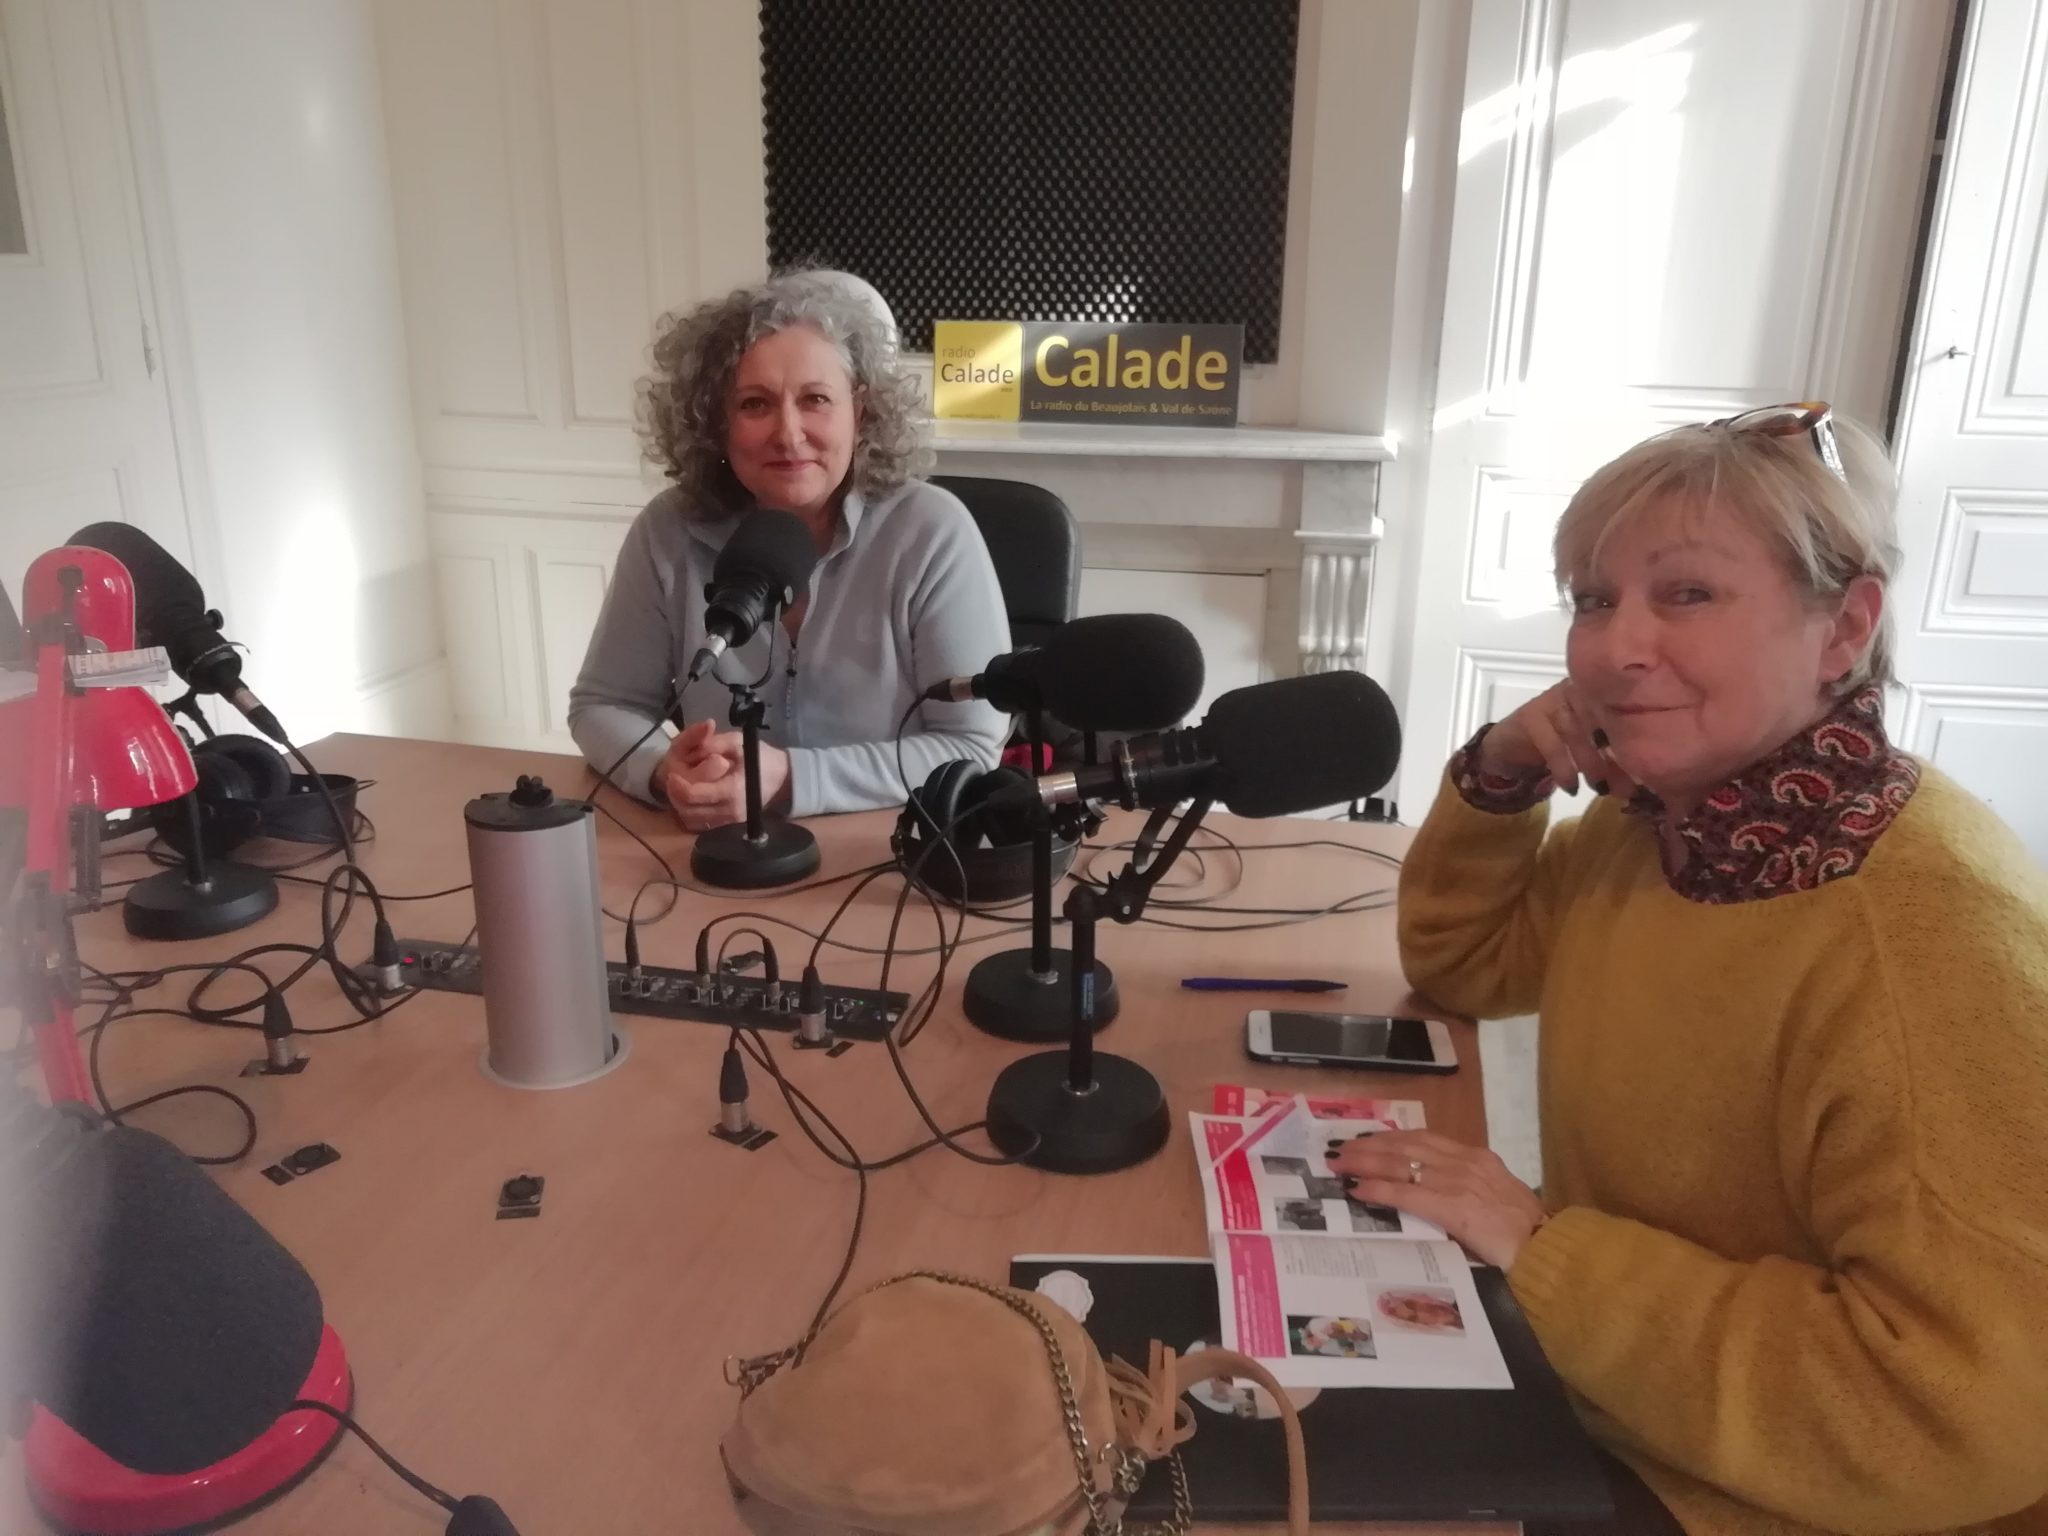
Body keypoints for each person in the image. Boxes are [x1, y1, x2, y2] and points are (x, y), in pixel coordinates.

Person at [1327, 404, 2048, 1536]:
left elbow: (1957, 1418)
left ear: (1844, 627)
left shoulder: (1933, 940)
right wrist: (1504, 770)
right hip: (1630, 1401)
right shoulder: (1664, 824)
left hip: (1766, 1503)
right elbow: (1466, 966)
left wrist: (1547, 1253)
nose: (1614, 648)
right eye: (1591, 599)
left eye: (1688, 594)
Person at [569, 269, 1010, 829]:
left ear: (860, 412)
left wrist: (791, 779)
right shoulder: (668, 531)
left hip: (890, 846)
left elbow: (971, 744)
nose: (789, 433)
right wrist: (662, 768)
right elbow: (603, 704)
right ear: (716, 423)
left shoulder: (931, 531)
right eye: (754, 404)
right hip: (717, 844)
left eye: (816, 399)